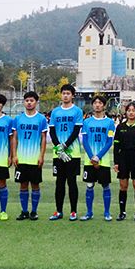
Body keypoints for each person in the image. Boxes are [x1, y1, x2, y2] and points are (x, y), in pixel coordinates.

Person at [48, 84, 84, 221]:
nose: (65, 96)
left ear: (72, 95)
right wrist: (59, 147)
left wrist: (65, 146)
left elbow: (76, 131)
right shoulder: (55, 112)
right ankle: (58, 211)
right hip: (58, 153)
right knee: (59, 182)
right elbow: (52, 131)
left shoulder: (77, 111)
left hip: (72, 153)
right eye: (63, 93)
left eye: (68, 93)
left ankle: (73, 211)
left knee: (72, 182)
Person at [12, 91, 48, 221]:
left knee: (35, 185)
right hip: (21, 158)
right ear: (24, 102)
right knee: (23, 185)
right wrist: (14, 155)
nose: (29, 103)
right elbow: (14, 138)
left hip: (34, 158)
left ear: (36, 102)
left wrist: (41, 156)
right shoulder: (18, 119)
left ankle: (34, 211)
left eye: (31, 100)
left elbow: (43, 139)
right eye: (27, 100)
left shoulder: (41, 119)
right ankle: (24, 211)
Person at [81, 93, 115, 221]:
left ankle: (107, 213)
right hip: (89, 161)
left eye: (100, 103)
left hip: (103, 161)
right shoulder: (87, 122)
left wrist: (98, 157)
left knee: (105, 185)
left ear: (104, 106)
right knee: (89, 185)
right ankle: (89, 213)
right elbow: (85, 141)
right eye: (95, 103)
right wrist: (92, 157)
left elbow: (109, 142)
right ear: (92, 105)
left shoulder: (109, 122)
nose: (97, 105)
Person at [113, 102, 135, 221]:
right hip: (123, 159)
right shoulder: (120, 127)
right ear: (126, 112)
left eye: (133, 110)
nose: (131, 112)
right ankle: (122, 212)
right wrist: (116, 162)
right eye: (129, 110)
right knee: (123, 185)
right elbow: (116, 146)